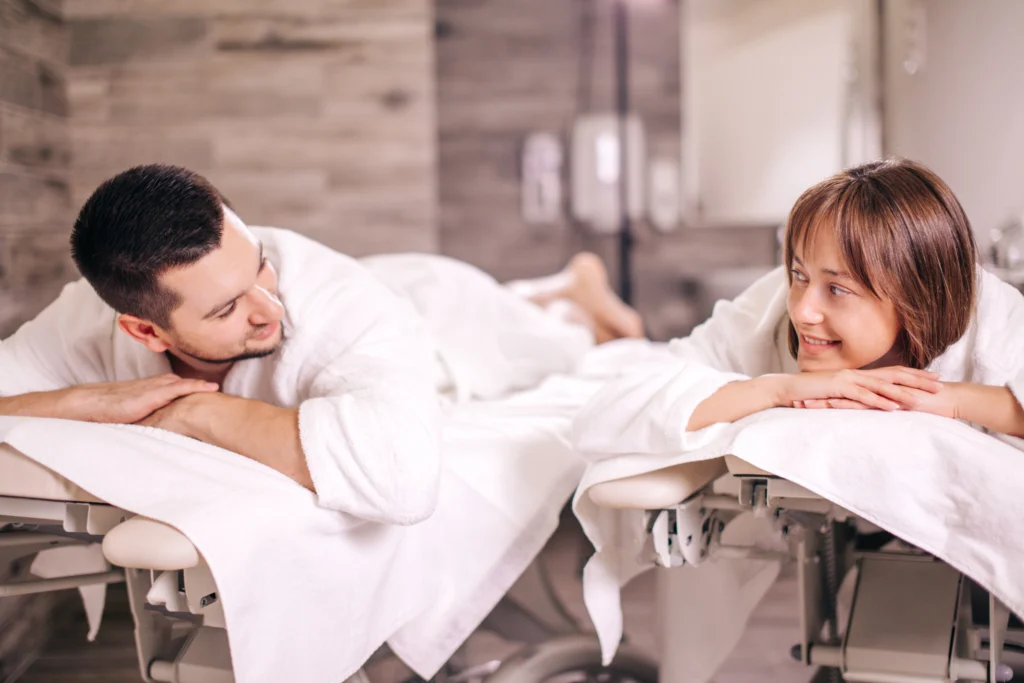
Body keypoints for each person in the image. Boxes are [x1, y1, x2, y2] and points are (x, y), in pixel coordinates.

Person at [0, 164, 642, 523]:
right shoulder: (84, 314)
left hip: (442, 314)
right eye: (227, 307)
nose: (268, 307)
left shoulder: (341, 303)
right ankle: (557, 286)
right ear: (143, 329)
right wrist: (84, 400)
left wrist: (203, 411)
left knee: (569, 344)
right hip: (394, 293)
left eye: (259, 265)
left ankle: (572, 290)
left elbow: (401, 482)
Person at [573, 157, 1024, 461]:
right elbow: (607, 410)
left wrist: (947, 398)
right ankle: (583, 292)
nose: (802, 309)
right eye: (800, 274)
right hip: (618, 357)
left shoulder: (988, 321)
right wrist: (775, 389)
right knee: (602, 352)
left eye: (838, 290)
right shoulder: (771, 305)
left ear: (917, 299)